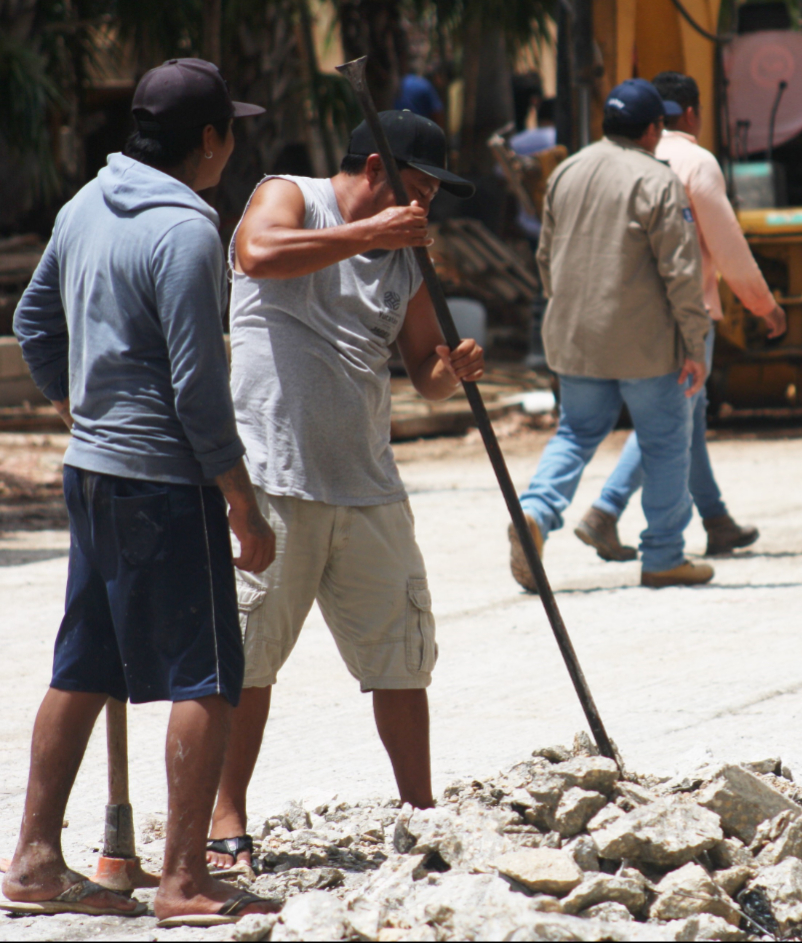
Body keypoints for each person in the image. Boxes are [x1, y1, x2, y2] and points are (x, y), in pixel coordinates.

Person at [5, 58, 278, 924]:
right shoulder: (189, 230)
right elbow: (198, 387)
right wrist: (239, 495)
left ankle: (35, 861)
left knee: (83, 661)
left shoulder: (85, 203)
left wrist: (73, 401)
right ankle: (185, 879)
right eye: (228, 130)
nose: (231, 147)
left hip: (92, 472)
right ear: (208, 141)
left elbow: (32, 323)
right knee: (206, 673)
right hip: (163, 480)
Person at [203, 111, 485, 871]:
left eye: (430, 196)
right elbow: (257, 253)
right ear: (372, 170)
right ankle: (226, 819)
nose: (422, 207)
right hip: (273, 478)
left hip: (367, 485)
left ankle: (420, 812)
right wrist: (372, 235)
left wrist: (450, 370)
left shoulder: (406, 253)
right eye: (416, 187)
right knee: (250, 657)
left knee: (401, 657)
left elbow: (424, 375)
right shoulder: (288, 195)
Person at [574, 71, 786, 562]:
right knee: (670, 417)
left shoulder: (612, 160)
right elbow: (727, 248)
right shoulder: (694, 160)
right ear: (690, 113)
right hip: (685, 311)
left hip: (619, 310)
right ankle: (604, 511)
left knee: (687, 413)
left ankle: (716, 520)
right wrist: (764, 305)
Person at [511, 78, 713, 590]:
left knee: (576, 433)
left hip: (575, 338)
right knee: (666, 440)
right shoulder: (657, 180)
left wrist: (567, 311)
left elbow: (546, 257)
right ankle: (664, 554)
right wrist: (694, 343)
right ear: (654, 129)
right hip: (645, 343)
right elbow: (682, 272)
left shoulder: (566, 172)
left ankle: (534, 512)